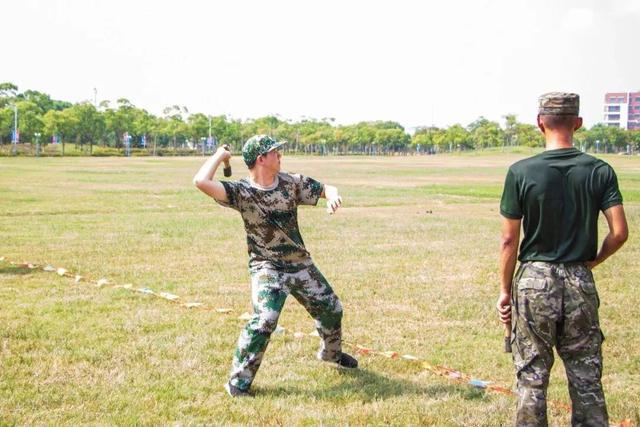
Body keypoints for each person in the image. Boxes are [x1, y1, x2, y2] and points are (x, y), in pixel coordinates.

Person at [497, 92, 628, 426]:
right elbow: (620, 232)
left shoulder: (520, 172)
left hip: (533, 281)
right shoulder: (600, 171)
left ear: (540, 123)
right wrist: (594, 261)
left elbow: (509, 239)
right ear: (578, 123)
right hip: (579, 280)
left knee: (532, 378)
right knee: (586, 377)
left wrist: (504, 291)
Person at [193, 134, 358, 398]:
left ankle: (331, 355)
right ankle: (238, 382)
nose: (280, 155)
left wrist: (332, 197)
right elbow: (200, 182)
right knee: (265, 319)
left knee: (332, 309)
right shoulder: (241, 192)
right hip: (267, 267)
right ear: (261, 159)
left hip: (299, 263)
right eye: (275, 152)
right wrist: (220, 156)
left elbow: (327, 188)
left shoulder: (291, 183)